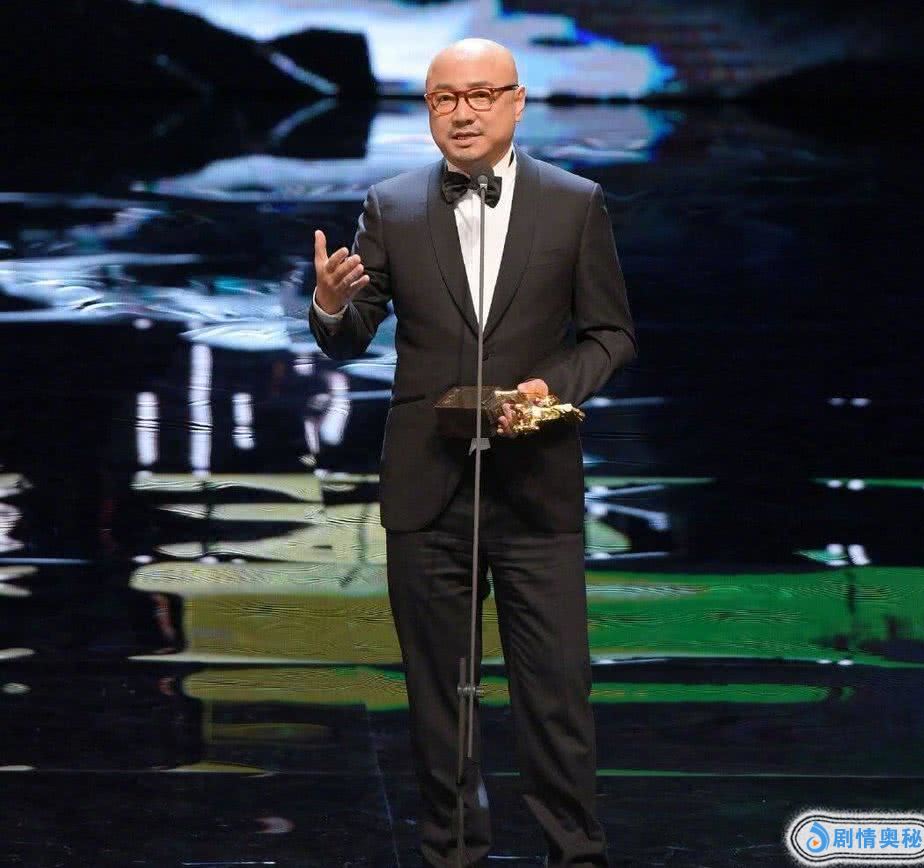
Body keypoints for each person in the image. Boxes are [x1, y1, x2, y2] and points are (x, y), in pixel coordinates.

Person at [308, 38, 637, 868]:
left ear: (517, 103)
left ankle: (576, 853)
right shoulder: (390, 205)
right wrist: (329, 304)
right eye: (444, 98)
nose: (462, 112)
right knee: (438, 700)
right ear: (427, 109)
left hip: (536, 486)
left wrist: (551, 386)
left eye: (482, 94)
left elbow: (611, 335)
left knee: (556, 693)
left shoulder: (575, 204)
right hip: (428, 487)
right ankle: (452, 853)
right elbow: (351, 337)